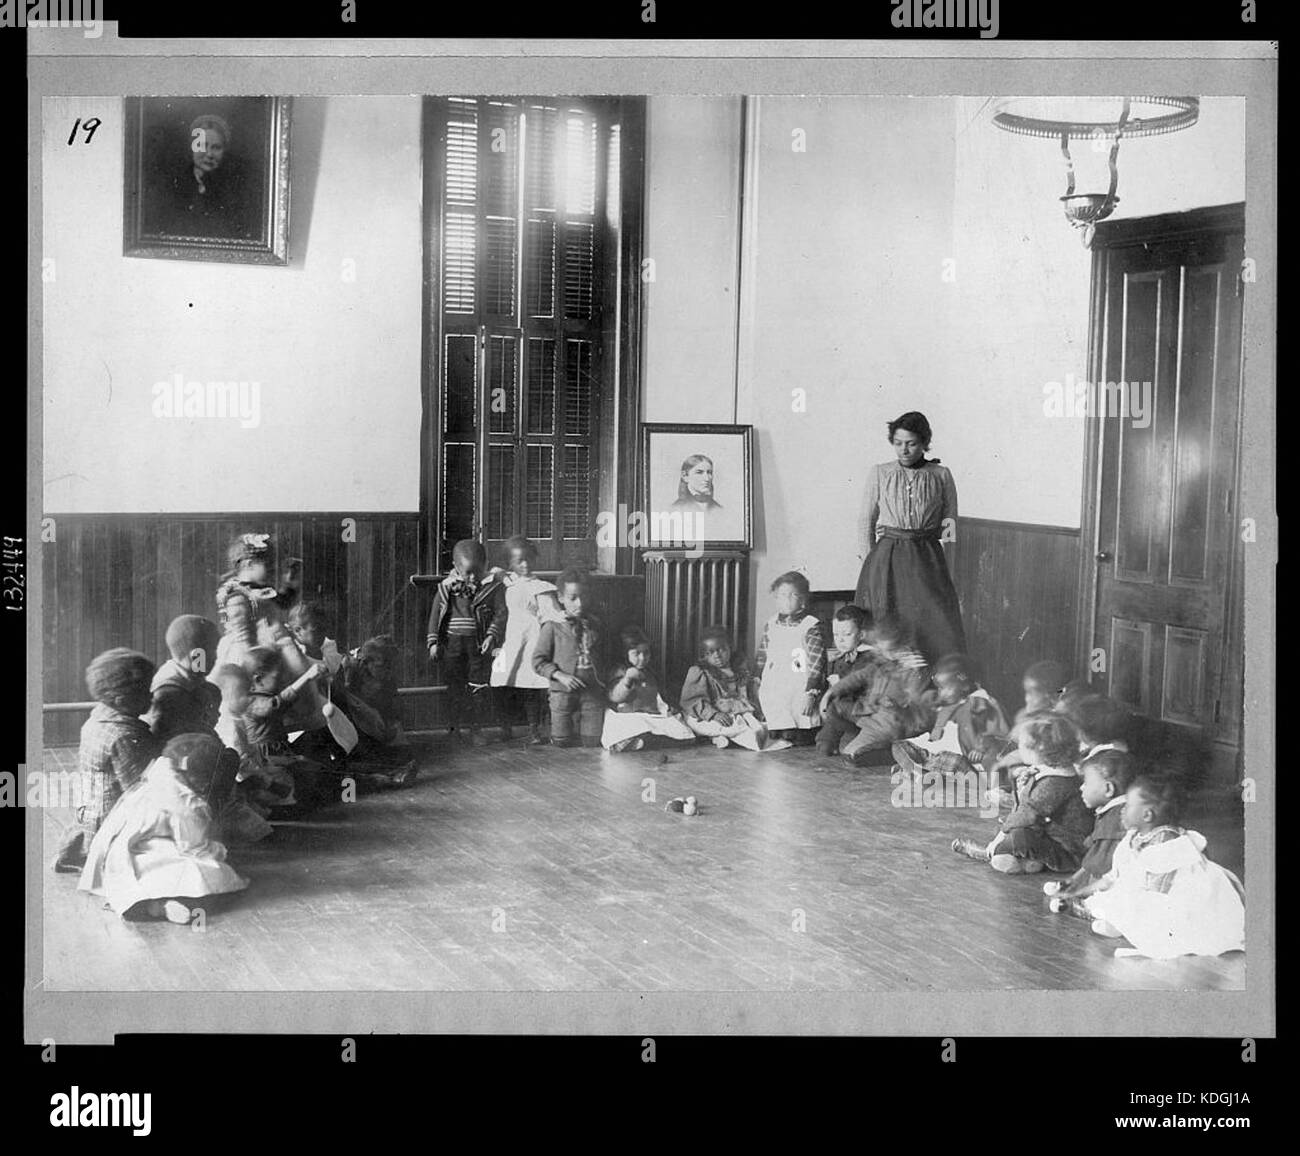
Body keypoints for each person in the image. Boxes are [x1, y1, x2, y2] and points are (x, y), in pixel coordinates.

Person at [78, 733, 249, 925]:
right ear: (201, 778)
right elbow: (193, 847)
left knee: (158, 866)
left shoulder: (160, 774)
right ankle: (162, 904)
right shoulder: (186, 804)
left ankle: (156, 904)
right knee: (213, 873)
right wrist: (219, 850)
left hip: (119, 848)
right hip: (140, 852)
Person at [1072, 776, 1245, 958]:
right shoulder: (1135, 836)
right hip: (1147, 889)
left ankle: (1125, 925)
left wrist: (1133, 901)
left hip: (1171, 895)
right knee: (1113, 900)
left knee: (1143, 909)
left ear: (1147, 815)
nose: (1122, 811)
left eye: (1128, 806)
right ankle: (1120, 922)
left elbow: (1159, 889)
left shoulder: (1167, 842)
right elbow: (1120, 872)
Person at [854, 410, 965, 663]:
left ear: (924, 443)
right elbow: (865, 521)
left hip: (927, 557)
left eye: (911, 443)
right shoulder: (880, 473)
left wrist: (948, 563)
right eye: (898, 443)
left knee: (933, 623)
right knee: (887, 622)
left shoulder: (941, 475)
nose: (904, 450)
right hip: (887, 558)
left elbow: (950, 522)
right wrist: (870, 563)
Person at [53, 649, 160, 873]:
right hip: (111, 818)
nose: (152, 697)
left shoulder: (99, 715)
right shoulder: (124, 736)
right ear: (123, 701)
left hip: (90, 810)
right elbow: (141, 788)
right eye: (146, 691)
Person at [951, 712, 1091, 875]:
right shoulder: (1056, 771)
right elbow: (1027, 807)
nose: (1018, 748)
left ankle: (988, 853)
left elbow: (1026, 814)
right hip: (1055, 837)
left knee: (1016, 836)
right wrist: (1022, 783)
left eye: (1022, 745)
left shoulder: (1054, 783)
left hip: (1068, 852)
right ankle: (1031, 861)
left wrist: (998, 841)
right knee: (1012, 829)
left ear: (1040, 749)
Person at [427, 539, 507, 744]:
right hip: (452, 645)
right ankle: (454, 730)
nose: (472, 577)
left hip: (478, 646)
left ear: (485, 566)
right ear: (456, 567)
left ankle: (476, 729)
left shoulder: (492, 587)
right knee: (454, 686)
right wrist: (433, 642)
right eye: (467, 572)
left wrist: (491, 635)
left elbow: (500, 613)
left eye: (477, 572)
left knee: (478, 686)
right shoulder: (446, 588)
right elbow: (435, 615)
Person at [823, 615, 931, 767]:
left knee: (850, 756)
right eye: (881, 650)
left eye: (889, 650)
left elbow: (917, 703)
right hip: (871, 714)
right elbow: (860, 676)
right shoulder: (884, 660)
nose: (883, 654)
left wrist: (913, 673)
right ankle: (871, 740)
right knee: (835, 705)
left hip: (891, 723)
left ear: (903, 645)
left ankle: (892, 752)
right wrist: (832, 691)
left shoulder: (914, 667)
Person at [1043, 748, 1137, 911]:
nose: (1081, 788)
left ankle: (1080, 901)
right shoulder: (1113, 810)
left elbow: (1100, 864)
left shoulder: (1117, 818)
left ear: (1108, 789)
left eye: (1085, 783)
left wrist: (1078, 889)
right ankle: (1071, 886)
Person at [891, 653, 1008, 781]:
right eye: (939, 688)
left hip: (962, 758)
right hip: (937, 753)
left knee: (952, 761)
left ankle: (919, 771)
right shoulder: (949, 705)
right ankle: (918, 769)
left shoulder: (980, 702)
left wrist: (981, 748)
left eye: (944, 688)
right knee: (900, 746)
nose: (941, 693)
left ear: (963, 682)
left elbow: (995, 731)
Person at [489, 536, 561, 744]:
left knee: (531, 685)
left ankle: (534, 730)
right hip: (511, 641)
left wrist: (538, 612)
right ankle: (505, 727)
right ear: (510, 563)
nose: (525, 565)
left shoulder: (541, 587)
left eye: (529, 559)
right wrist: (501, 573)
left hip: (532, 641)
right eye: (519, 561)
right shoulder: (510, 580)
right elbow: (496, 572)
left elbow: (554, 617)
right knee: (500, 681)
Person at [532, 569, 607, 748]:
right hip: (563, 692)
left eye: (583, 597)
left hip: (592, 692)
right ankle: (562, 723)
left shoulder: (596, 624)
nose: (579, 603)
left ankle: (582, 722)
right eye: (573, 598)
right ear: (561, 597)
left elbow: (606, 655)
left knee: (592, 741)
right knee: (561, 742)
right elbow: (538, 661)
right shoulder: (552, 627)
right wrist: (560, 675)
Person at [680, 627, 786, 751]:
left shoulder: (739, 670)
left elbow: (748, 695)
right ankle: (722, 735)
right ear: (704, 656)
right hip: (710, 713)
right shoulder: (700, 672)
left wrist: (756, 711)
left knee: (751, 723)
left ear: (730, 648)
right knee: (720, 725)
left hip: (737, 712)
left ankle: (724, 736)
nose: (717, 656)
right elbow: (693, 701)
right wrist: (713, 714)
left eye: (721, 650)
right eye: (710, 653)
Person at [148, 112, 252, 239]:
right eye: (202, 146)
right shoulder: (171, 187)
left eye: (216, 147)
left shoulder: (234, 191)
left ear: (224, 151)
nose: (209, 154)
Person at [755, 571, 827, 746]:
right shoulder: (771, 623)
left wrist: (811, 691)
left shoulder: (809, 625)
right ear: (776, 599)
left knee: (797, 704)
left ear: (803, 599)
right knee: (774, 699)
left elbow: (817, 661)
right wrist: (757, 675)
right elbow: (763, 652)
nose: (787, 599)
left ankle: (801, 732)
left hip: (798, 673)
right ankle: (780, 729)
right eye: (782, 595)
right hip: (775, 675)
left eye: (793, 595)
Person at [601, 629, 695, 752]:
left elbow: (659, 694)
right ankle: (643, 739)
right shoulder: (621, 671)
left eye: (646, 653)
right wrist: (627, 680)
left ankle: (650, 740)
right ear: (625, 654)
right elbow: (615, 696)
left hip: (651, 714)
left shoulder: (650, 671)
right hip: (628, 715)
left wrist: (668, 706)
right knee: (627, 727)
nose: (642, 658)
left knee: (682, 731)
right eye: (636, 654)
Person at [146, 615, 223, 743]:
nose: (216, 658)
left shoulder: (192, 677)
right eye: (213, 651)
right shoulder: (169, 693)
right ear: (196, 656)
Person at [816, 604, 878, 756]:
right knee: (824, 744)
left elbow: (861, 684)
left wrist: (839, 683)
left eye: (847, 634)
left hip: (865, 710)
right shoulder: (839, 657)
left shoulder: (868, 657)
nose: (840, 640)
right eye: (836, 635)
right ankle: (828, 740)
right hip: (845, 707)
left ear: (861, 635)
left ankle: (848, 738)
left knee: (835, 710)